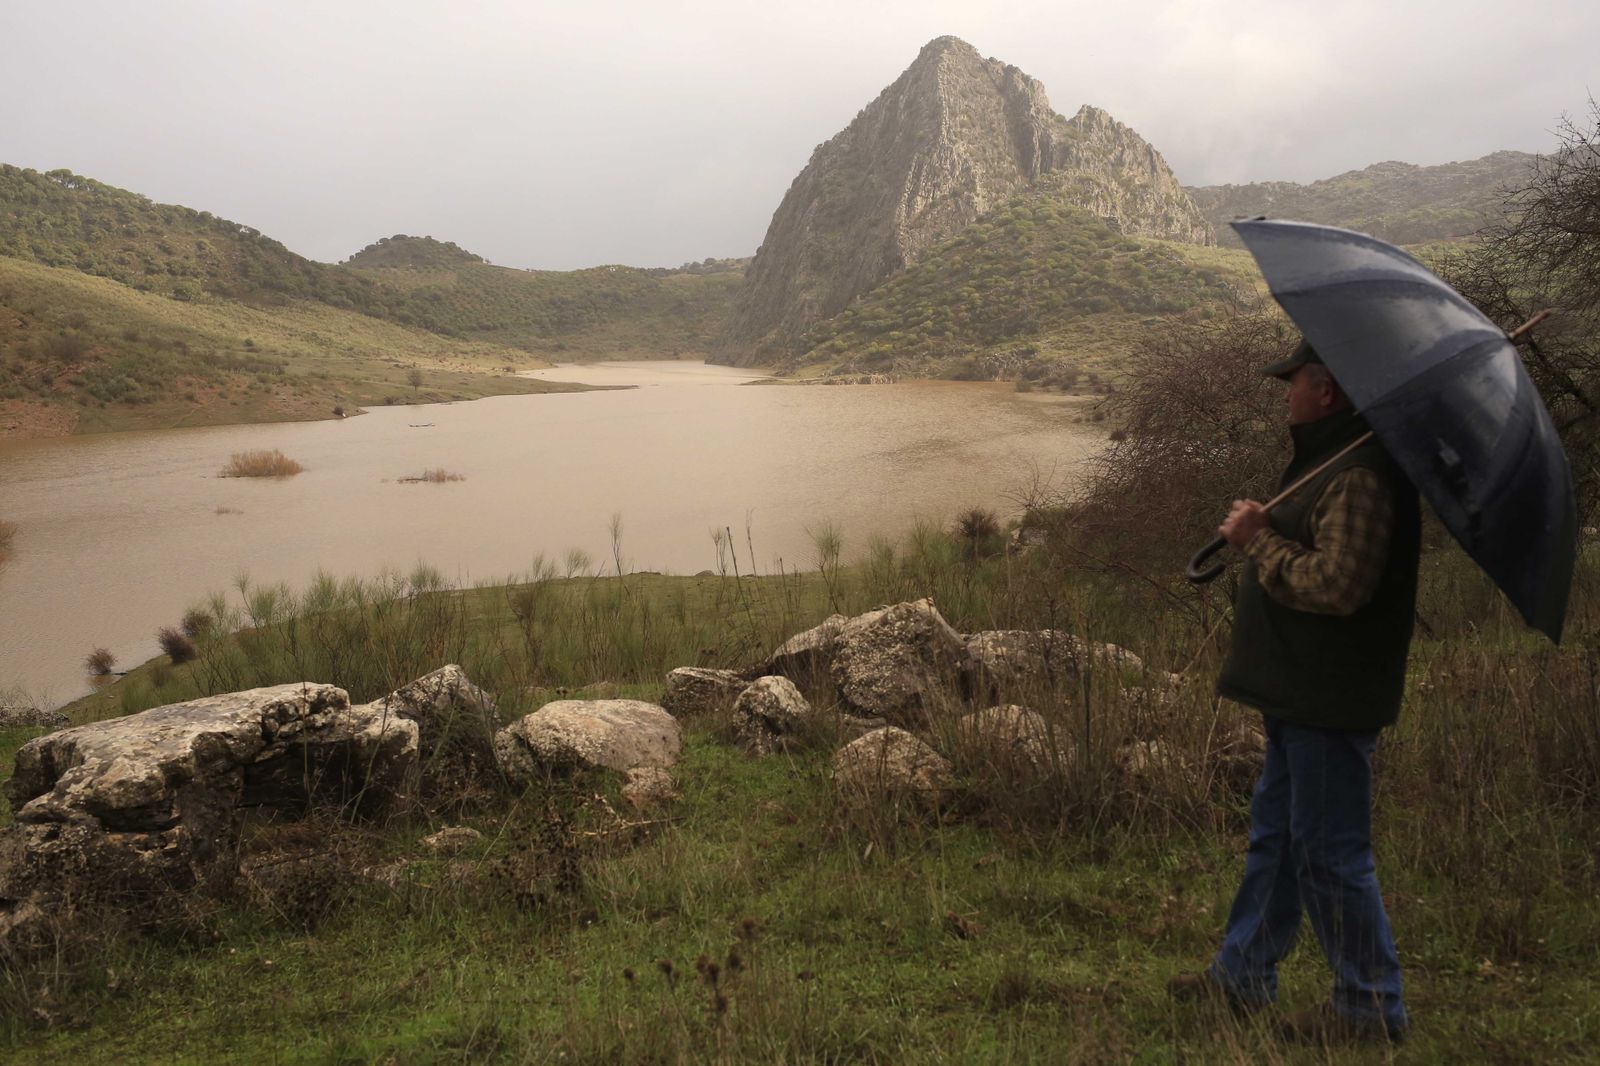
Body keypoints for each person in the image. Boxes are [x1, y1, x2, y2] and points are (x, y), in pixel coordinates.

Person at [1169, 338, 1421, 1045]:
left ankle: (1369, 1006)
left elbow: (1339, 585)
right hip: (1298, 694)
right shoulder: (1331, 462)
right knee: (1278, 842)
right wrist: (1271, 524)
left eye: (1294, 384)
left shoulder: (1361, 475)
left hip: (1328, 699)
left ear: (1327, 390)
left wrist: (1259, 542)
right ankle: (1242, 976)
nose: (1286, 395)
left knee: (1328, 851)